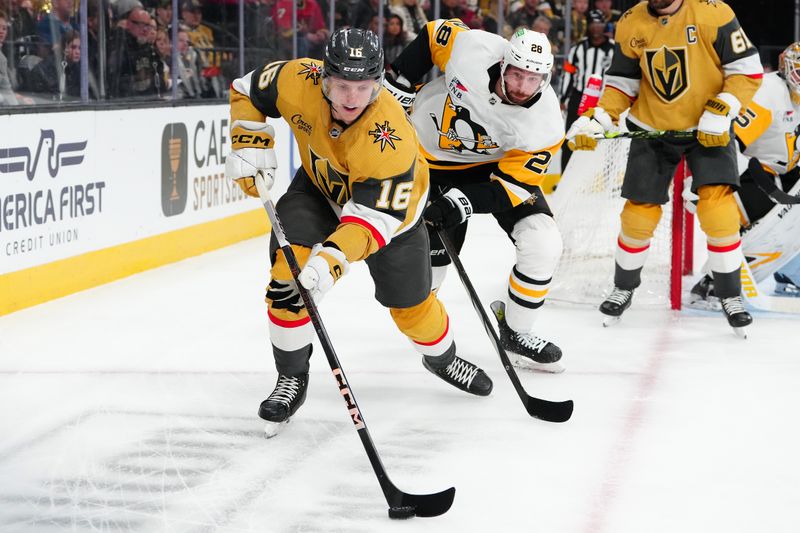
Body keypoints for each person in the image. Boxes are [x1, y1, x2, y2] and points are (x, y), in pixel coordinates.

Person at [225, 28, 493, 426]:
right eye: (341, 85)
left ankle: (444, 358)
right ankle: (290, 377)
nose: (351, 98)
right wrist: (249, 139)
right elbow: (248, 90)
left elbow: (370, 220)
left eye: (363, 87)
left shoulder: (391, 136)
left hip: (390, 221)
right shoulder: (298, 79)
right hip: (317, 193)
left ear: (378, 83)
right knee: (288, 277)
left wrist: (332, 258)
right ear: (323, 78)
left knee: (413, 312)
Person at [566, 0, 763, 334]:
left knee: (719, 212)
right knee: (637, 214)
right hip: (653, 127)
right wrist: (600, 116)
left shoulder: (713, 12)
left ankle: (730, 295)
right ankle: (624, 287)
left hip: (708, 128)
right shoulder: (630, 21)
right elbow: (621, 82)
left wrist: (721, 109)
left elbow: (747, 70)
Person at [384, 20, 566, 372]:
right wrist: (402, 79)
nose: (522, 86)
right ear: (503, 63)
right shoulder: (475, 48)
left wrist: (460, 202)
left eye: (533, 79)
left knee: (544, 243)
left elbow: (512, 188)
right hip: (428, 160)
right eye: (516, 74)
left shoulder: (544, 123)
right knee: (429, 276)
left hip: (491, 171)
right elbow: (434, 33)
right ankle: (433, 344)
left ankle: (516, 332)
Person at [690, 42, 800, 307]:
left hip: (778, 175)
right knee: (777, 215)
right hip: (734, 178)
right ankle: (715, 281)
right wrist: (770, 189)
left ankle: (791, 274)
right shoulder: (769, 92)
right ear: (787, 67)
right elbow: (728, 144)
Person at [559, 9, 614, 169]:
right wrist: (563, 98)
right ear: (588, 25)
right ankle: (564, 179)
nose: (596, 27)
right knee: (571, 136)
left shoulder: (614, 49)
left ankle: (604, 177)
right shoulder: (577, 48)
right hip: (579, 97)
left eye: (599, 23)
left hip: (604, 100)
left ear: (604, 25)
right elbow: (568, 74)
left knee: (604, 138)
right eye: (593, 23)